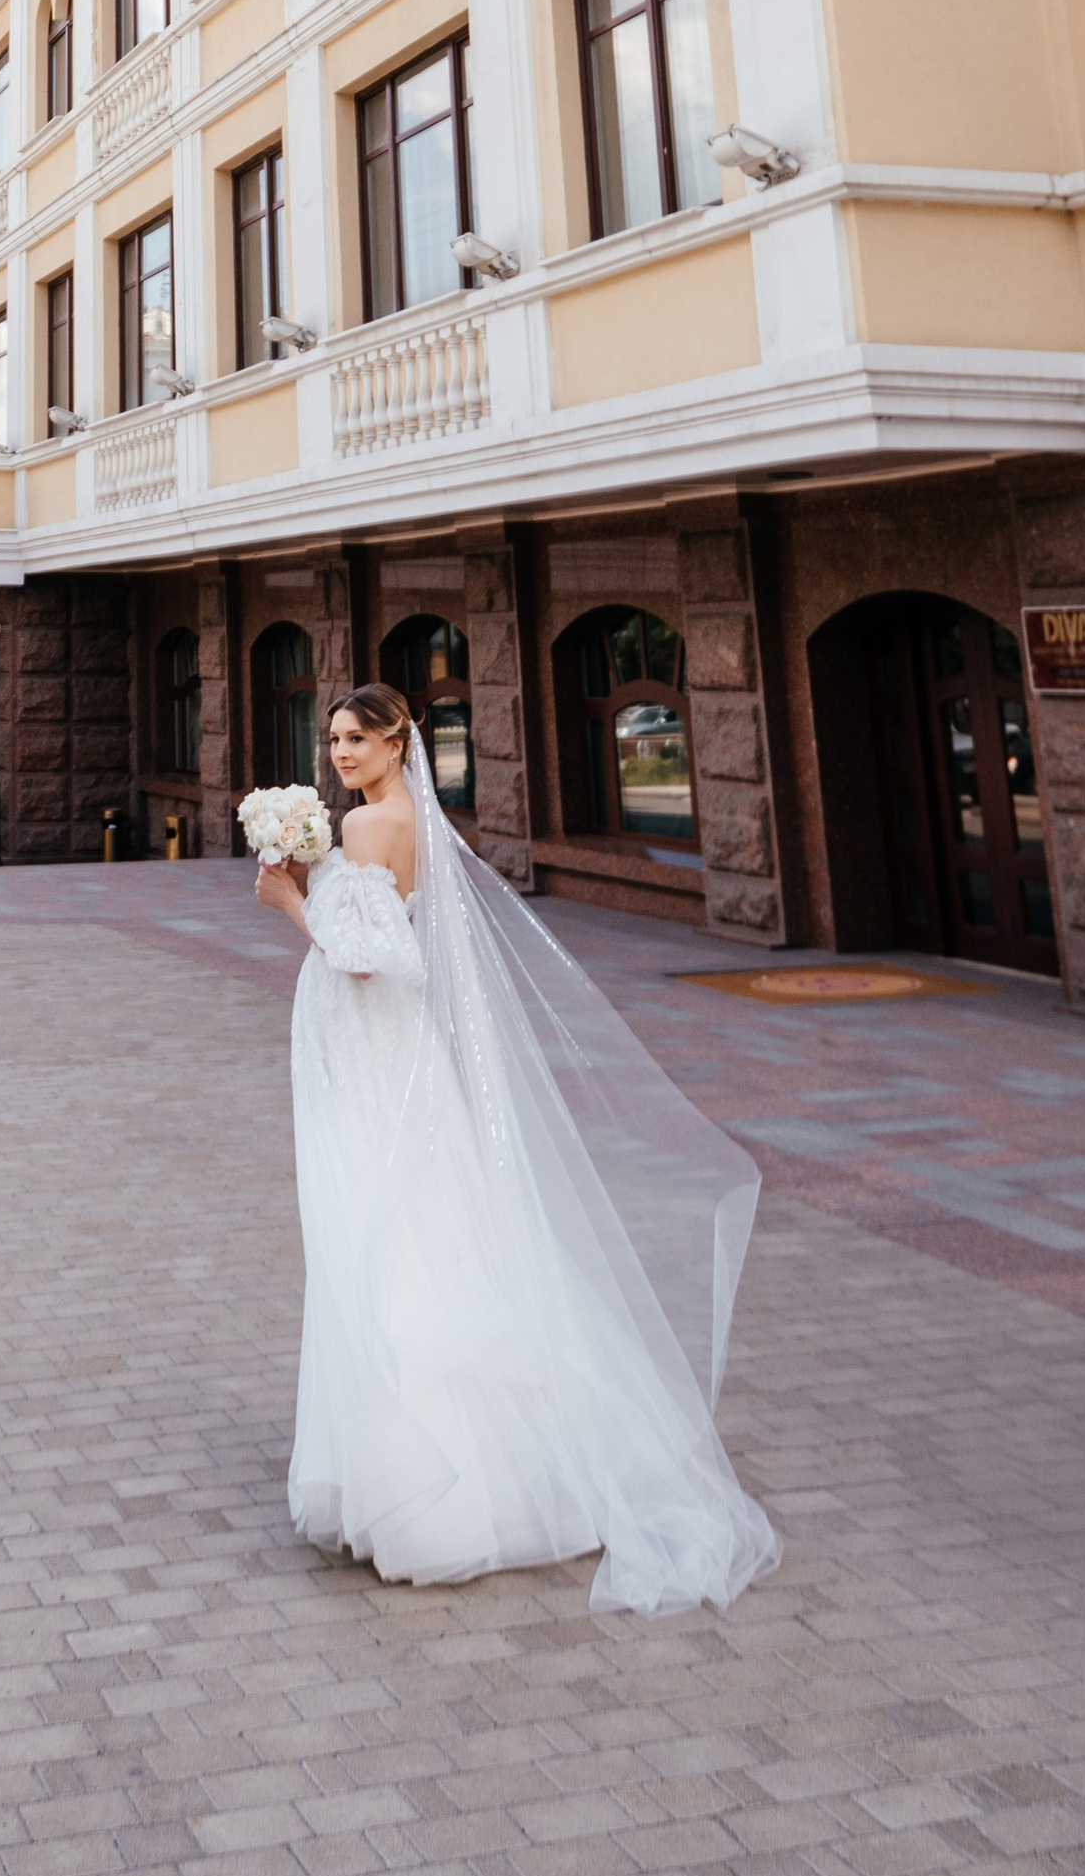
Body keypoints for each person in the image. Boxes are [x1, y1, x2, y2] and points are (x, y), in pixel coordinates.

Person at [254, 683, 778, 1618]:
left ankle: (420, 1491)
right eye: (332, 739)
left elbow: (364, 957)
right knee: (430, 1225)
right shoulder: (411, 821)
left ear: (397, 744)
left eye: (357, 738)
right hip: (401, 1050)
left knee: (380, 1237)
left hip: (376, 1058)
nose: (340, 754)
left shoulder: (370, 826)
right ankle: (482, 1466)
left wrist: (288, 900)